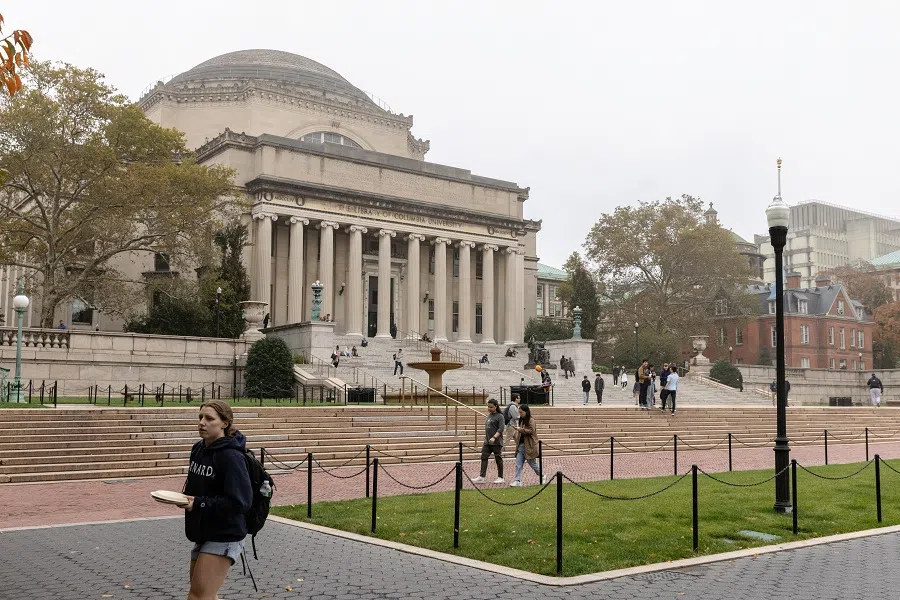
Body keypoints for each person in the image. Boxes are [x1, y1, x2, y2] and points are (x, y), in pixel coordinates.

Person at [183, 400, 252, 600]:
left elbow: (240, 502)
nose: (202, 423)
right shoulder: (198, 449)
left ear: (224, 423)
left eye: (209, 418)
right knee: (206, 595)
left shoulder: (231, 456)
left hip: (225, 534)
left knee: (198, 596)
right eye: (200, 417)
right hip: (203, 531)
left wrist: (198, 503)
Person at [471, 399, 505, 484]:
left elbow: (501, 429)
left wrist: (494, 437)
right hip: (487, 442)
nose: (489, 408)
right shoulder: (489, 415)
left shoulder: (500, 416)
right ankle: (482, 476)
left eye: (491, 407)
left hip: (496, 442)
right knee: (484, 457)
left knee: (498, 459)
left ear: (496, 406)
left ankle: (501, 477)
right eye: (488, 407)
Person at [510, 404, 543, 486]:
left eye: (521, 412)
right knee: (518, 464)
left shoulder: (531, 420)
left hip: (529, 446)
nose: (520, 414)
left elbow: (531, 431)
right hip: (521, 446)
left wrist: (520, 429)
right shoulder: (521, 420)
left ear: (526, 412)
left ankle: (542, 475)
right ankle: (517, 480)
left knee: (533, 464)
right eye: (519, 412)